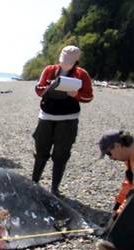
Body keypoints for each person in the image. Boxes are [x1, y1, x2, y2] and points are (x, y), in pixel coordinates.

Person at [30, 45, 93, 196]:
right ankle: (34, 183)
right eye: (63, 61)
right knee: (40, 151)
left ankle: (54, 188)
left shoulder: (82, 74)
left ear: (76, 62)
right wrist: (48, 88)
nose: (65, 64)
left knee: (61, 155)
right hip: (46, 116)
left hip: (68, 119)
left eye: (68, 62)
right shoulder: (49, 70)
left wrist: (76, 95)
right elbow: (38, 90)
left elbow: (89, 97)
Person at [95, 130, 134, 250]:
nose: (111, 158)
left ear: (117, 146)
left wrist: (120, 214)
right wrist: (116, 211)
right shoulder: (130, 160)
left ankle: (120, 245)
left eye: (109, 153)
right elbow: (127, 186)